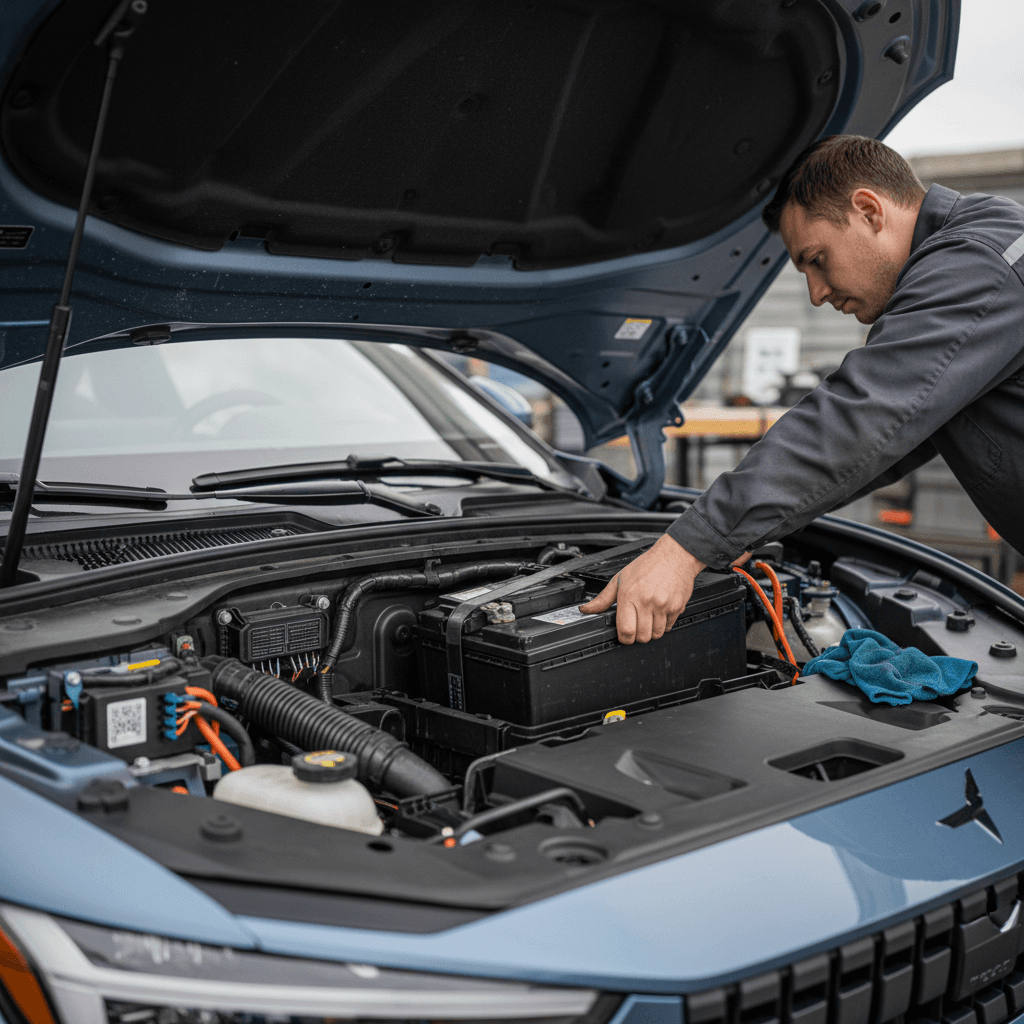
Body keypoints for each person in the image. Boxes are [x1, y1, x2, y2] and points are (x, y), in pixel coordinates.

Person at [581, 135, 1024, 644]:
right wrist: (741, 529)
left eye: (816, 259)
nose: (817, 294)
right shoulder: (979, 251)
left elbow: (862, 418)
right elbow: (884, 445)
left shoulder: (980, 263)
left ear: (868, 211)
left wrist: (686, 548)